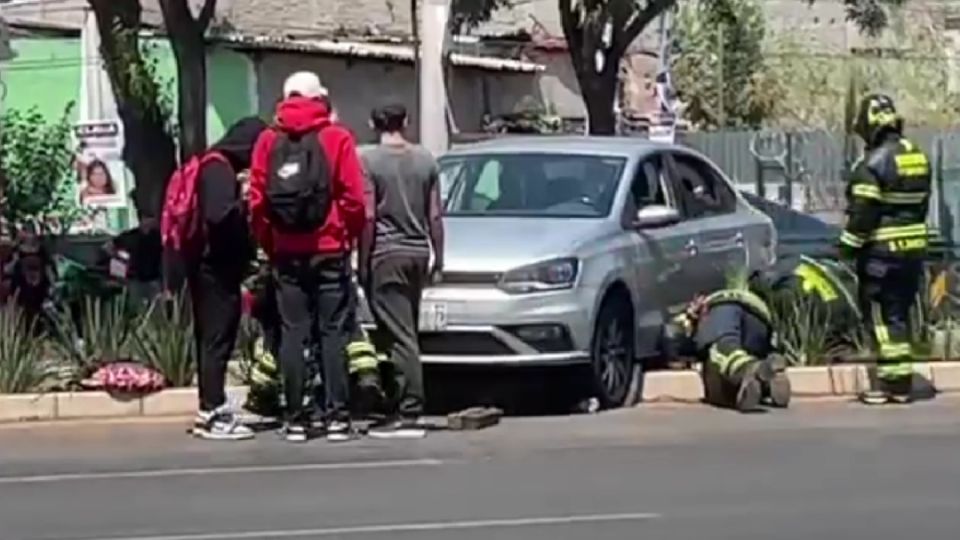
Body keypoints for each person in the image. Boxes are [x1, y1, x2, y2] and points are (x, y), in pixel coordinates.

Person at [248, 71, 366, 443]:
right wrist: (345, 236)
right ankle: (336, 417)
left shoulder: (267, 139)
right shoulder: (337, 137)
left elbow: (256, 201)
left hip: (286, 252)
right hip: (330, 250)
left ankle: (295, 418)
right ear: (320, 99)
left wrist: (271, 241)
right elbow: (354, 199)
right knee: (332, 332)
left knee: (292, 333)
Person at [839, 94, 932, 405]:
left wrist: (847, 248)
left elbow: (863, 213)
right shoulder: (917, 155)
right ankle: (902, 384)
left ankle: (887, 386)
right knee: (898, 315)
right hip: (914, 252)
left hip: (881, 254)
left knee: (879, 316)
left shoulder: (871, 164)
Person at [359, 103, 445, 438]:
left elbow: (368, 215)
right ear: (406, 122)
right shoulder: (426, 159)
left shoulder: (367, 160)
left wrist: (363, 258)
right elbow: (435, 215)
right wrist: (441, 256)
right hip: (417, 253)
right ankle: (400, 397)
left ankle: (409, 407)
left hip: (386, 253)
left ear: (373, 123)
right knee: (404, 326)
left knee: (399, 334)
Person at [189, 116, 267, 441]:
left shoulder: (214, 165)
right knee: (217, 340)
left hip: (209, 267)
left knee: (213, 338)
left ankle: (211, 408)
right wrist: (245, 200)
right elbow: (218, 215)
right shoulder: (218, 169)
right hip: (214, 269)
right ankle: (213, 411)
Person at [663, 277, 791, 413]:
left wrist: (689, 321)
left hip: (719, 305)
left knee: (722, 349)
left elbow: (673, 337)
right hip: (760, 317)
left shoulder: (689, 305)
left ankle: (748, 369)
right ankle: (765, 381)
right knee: (726, 372)